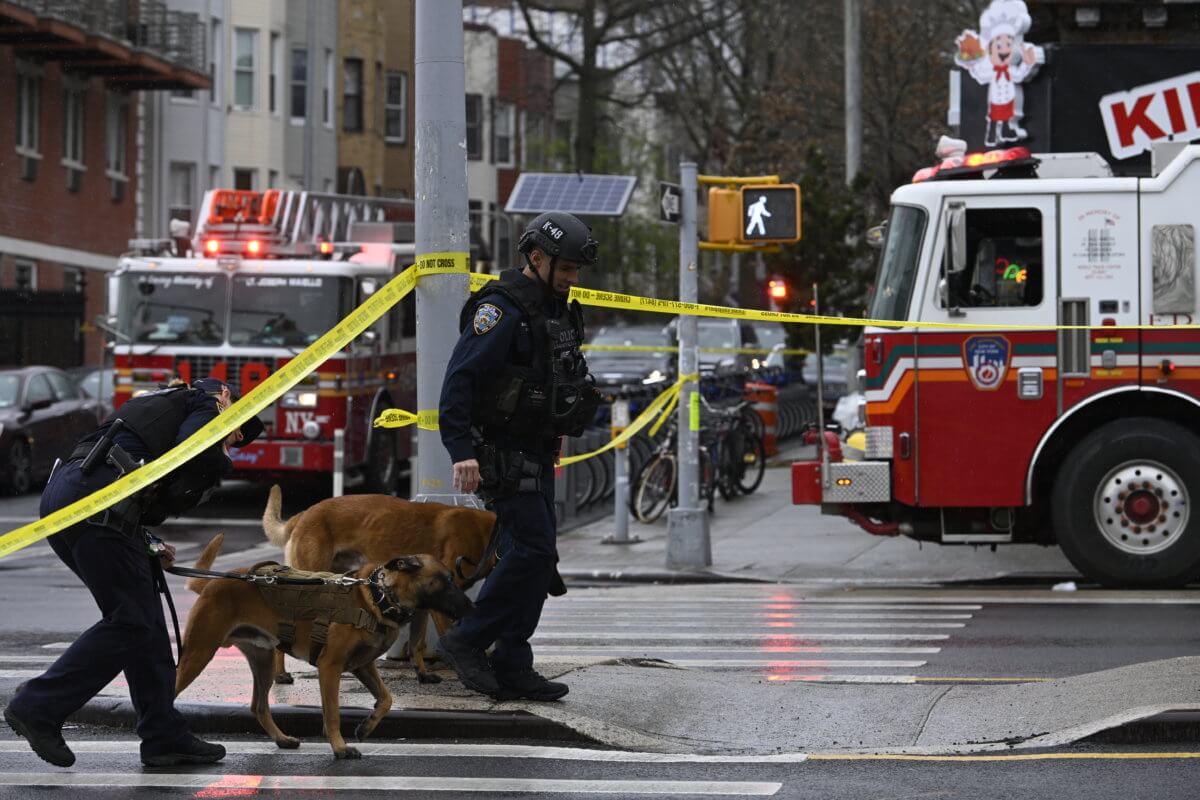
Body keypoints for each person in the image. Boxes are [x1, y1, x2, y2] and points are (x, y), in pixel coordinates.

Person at [2, 377, 264, 768]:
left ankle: (163, 736)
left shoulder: (165, 403)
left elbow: (131, 470)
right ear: (227, 399)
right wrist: (219, 454)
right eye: (239, 425)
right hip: (95, 505)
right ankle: (37, 706)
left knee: (146, 621)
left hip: (76, 498)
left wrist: (148, 543)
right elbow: (195, 453)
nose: (237, 437)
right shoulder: (206, 404)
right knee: (132, 621)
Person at [437, 212, 602, 701]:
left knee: (538, 556)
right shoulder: (502, 310)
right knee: (531, 551)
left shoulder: (555, 308)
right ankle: (466, 639)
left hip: (537, 449)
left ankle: (513, 660)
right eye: (567, 269)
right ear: (536, 258)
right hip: (502, 452)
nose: (574, 279)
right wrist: (461, 450)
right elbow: (459, 381)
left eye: (577, 270)